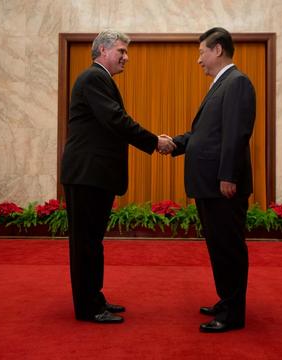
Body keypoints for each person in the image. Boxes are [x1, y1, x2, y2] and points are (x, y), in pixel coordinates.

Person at [61, 30, 175, 324]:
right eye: (121, 51)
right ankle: (87, 308)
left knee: (93, 242)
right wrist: (154, 142)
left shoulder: (100, 79)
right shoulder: (94, 78)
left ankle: (94, 297)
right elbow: (116, 120)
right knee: (85, 243)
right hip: (87, 175)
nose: (126, 57)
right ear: (102, 50)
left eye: (126, 52)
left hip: (94, 175)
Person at [170, 27, 256, 333]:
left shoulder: (237, 83)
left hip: (223, 185)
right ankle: (226, 300)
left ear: (217, 50)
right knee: (218, 247)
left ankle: (233, 314)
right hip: (210, 185)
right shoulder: (222, 85)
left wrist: (228, 176)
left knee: (229, 247)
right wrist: (176, 144)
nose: (199, 60)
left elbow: (236, 133)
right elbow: (205, 135)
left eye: (201, 52)